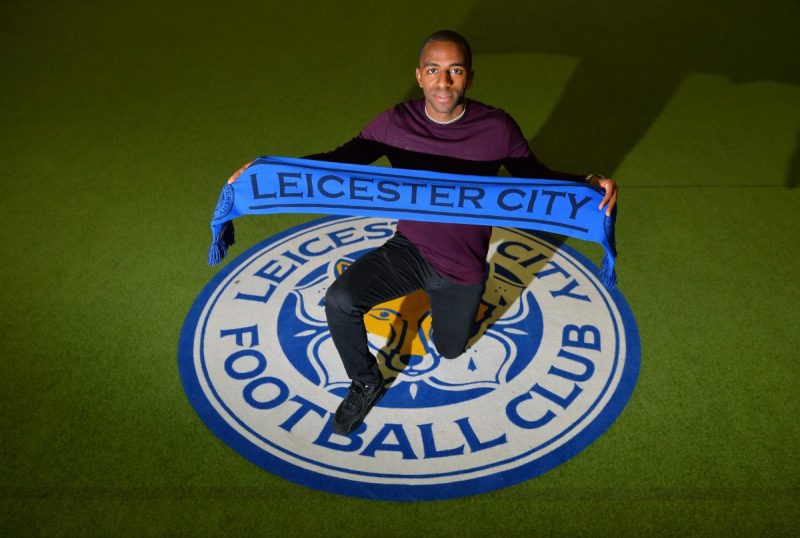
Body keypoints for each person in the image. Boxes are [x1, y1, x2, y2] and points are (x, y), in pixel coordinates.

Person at [229, 30, 618, 435]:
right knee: (340, 299)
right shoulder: (396, 122)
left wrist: (590, 182)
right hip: (410, 250)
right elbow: (337, 163)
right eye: (433, 70)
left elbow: (536, 179)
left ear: (469, 77)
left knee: (450, 350)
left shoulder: (497, 127)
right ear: (419, 75)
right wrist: (262, 173)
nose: (443, 82)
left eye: (454, 71)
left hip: (463, 269)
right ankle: (366, 381)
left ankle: (454, 313)